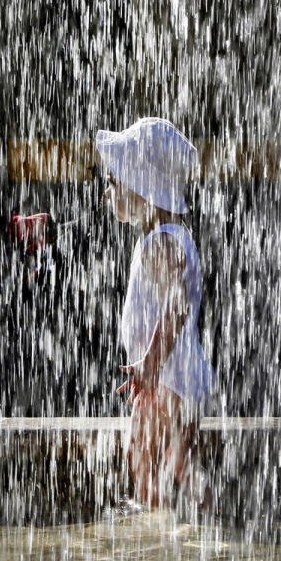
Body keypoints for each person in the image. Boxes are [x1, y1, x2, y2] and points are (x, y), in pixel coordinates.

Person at [96, 117, 215, 509]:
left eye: (113, 182)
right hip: (181, 375)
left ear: (144, 189)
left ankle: (155, 519)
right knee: (180, 459)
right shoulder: (167, 237)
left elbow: (176, 303)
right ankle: (207, 511)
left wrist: (150, 361)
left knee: (140, 454)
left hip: (165, 375)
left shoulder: (161, 243)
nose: (107, 191)